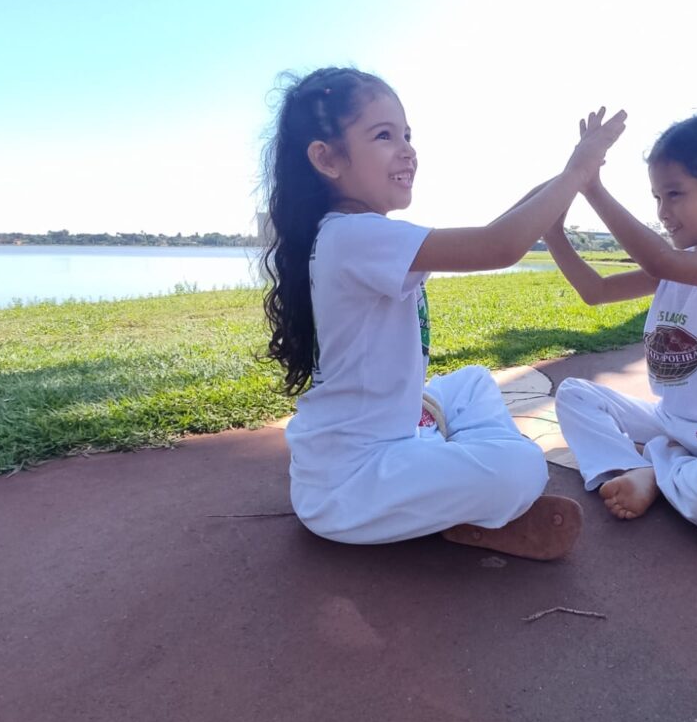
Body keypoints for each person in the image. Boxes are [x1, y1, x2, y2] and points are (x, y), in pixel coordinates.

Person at [261, 66, 626, 560]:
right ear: (327, 159)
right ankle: (456, 483)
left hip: (370, 448)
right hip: (349, 486)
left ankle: (445, 475)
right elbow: (499, 245)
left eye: (407, 134)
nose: (407, 148)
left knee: (473, 380)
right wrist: (577, 174)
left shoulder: (356, 233)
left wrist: (566, 176)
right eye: (384, 135)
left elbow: (496, 230)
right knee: (523, 470)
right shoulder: (353, 236)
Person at [545, 111, 697, 537]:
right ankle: (639, 467)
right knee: (574, 395)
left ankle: (655, 473)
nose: (662, 211)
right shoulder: (681, 266)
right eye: (657, 197)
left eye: (674, 194)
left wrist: (591, 184)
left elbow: (661, 259)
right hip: (671, 420)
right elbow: (596, 291)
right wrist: (553, 234)